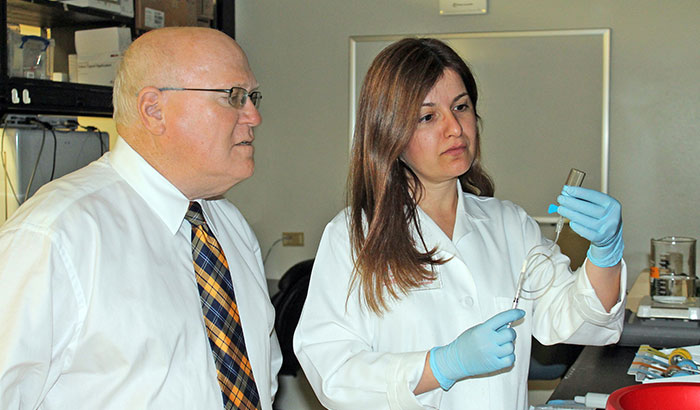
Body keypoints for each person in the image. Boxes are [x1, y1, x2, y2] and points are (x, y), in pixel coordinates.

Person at [293, 37, 626, 410]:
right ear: (389, 133)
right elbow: (332, 373)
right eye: (428, 116)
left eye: (461, 107)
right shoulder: (353, 236)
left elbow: (576, 322)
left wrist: (606, 254)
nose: (455, 128)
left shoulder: (509, 224)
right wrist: (441, 365)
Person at [0, 27, 281, 409]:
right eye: (233, 97)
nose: (254, 116)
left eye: (252, 97)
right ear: (154, 110)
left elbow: (262, 373)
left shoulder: (229, 226)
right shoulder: (54, 236)